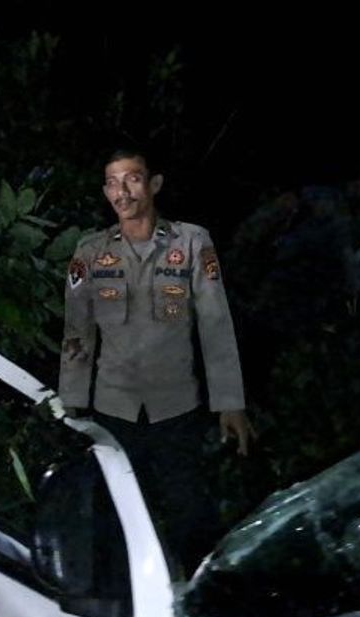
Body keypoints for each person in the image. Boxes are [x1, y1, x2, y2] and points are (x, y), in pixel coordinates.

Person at [59, 146, 254, 577]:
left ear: (153, 184)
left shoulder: (191, 242)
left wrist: (229, 402)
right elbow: (78, 333)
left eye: (131, 179)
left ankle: (203, 600)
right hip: (114, 411)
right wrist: (71, 405)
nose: (121, 192)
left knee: (192, 518)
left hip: (176, 409)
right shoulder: (90, 252)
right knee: (121, 520)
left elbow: (216, 326)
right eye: (111, 182)